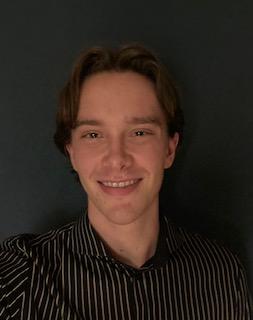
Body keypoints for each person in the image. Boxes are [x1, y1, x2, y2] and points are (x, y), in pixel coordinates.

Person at [0, 44, 252, 319]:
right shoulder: (21, 277)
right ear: (71, 152)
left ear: (169, 149)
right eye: (93, 135)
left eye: (140, 132)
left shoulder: (221, 274)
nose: (117, 158)